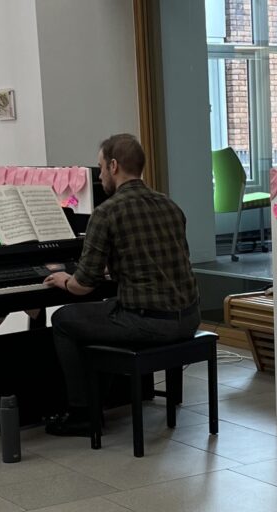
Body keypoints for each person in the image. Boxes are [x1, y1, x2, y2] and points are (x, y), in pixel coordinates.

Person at [42, 134, 200, 436]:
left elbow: (83, 285)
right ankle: (108, 399)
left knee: (62, 319)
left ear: (114, 165)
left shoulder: (107, 212)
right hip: (188, 318)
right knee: (105, 311)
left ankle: (83, 413)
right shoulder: (170, 205)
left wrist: (64, 279)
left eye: (101, 168)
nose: (99, 176)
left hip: (149, 324)